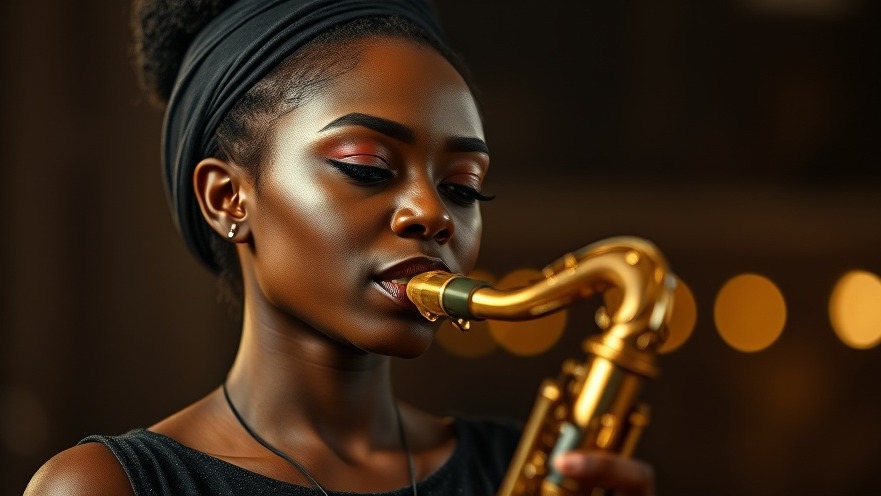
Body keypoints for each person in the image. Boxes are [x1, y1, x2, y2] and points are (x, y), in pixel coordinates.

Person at [24, 1, 655, 494]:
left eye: (464, 187)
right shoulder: (105, 487)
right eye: (368, 166)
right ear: (225, 199)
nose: (434, 213)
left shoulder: (532, 466)